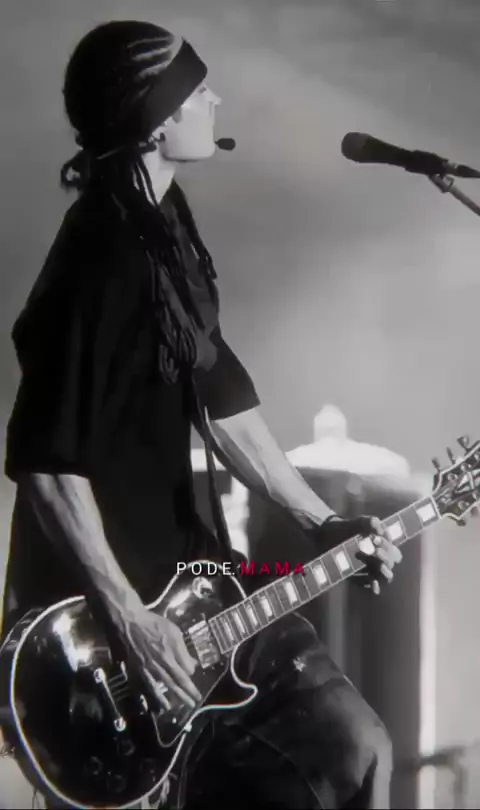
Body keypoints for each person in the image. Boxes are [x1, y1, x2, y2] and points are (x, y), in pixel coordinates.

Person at [1, 20, 403, 810]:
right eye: (197, 90)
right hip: (106, 625)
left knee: (353, 749)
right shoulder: (97, 260)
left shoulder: (165, 222)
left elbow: (220, 398)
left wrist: (322, 522)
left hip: (194, 584)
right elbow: (47, 466)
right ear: (157, 122)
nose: (214, 99)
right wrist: (128, 618)